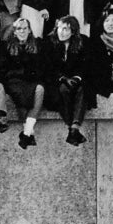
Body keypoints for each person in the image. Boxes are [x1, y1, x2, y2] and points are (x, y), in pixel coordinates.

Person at [42, 16, 92, 145]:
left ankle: (74, 128)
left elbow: (86, 65)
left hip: (76, 79)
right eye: (60, 28)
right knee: (63, 90)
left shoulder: (82, 41)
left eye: (66, 29)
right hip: (55, 81)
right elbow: (47, 67)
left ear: (73, 31)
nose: (62, 32)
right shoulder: (49, 42)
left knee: (82, 89)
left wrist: (76, 78)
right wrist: (62, 78)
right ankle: (74, 129)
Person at [0, 17, 45, 148]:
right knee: (21, 95)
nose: (22, 31)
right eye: (19, 28)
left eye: (25, 28)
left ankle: (25, 134)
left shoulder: (37, 44)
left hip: (33, 80)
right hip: (14, 81)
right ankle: (29, 133)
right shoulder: (7, 46)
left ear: (30, 30)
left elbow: (41, 67)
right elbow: (3, 68)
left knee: (40, 90)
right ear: (14, 31)